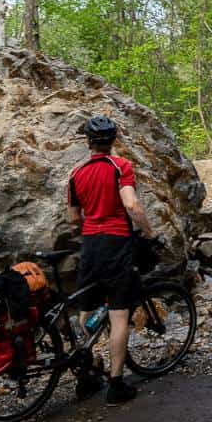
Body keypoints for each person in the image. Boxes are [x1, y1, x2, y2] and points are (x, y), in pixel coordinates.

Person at [66, 114, 151, 404]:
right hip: (116, 243)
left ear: (88, 142)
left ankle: (86, 374)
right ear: (113, 141)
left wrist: (90, 230)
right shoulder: (121, 166)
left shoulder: (76, 174)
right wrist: (148, 231)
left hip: (90, 245)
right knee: (118, 316)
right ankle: (116, 384)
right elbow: (132, 205)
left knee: (86, 310)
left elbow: (73, 217)